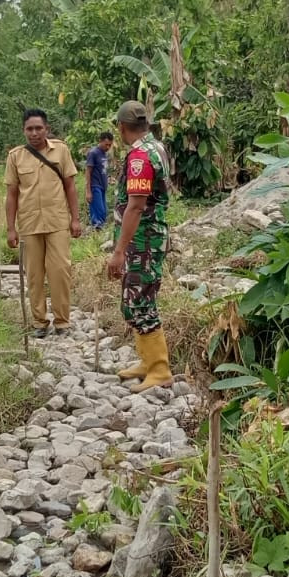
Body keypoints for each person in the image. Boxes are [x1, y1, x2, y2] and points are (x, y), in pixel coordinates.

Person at [105, 100, 172, 393]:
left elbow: (135, 206)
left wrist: (119, 251)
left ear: (121, 127)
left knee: (140, 301)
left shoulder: (140, 157)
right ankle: (148, 361)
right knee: (136, 298)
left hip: (142, 240)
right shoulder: (156, 147)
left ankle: (159, 369)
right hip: (147, 237)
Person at [5, 109, 82, 337]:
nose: (34, 133)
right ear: (23, 131)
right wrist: (11, 228)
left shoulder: (61, 150)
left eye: (39, 128)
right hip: (29, 224)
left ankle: (62, 321)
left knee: (60, 271)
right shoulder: (15, 157)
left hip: (57, 222)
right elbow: (11, 195)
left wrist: (75, 219)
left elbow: (70, 187)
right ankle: (39, 322)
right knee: (34, 275)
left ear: (47, 129)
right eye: (29, 129)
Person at [84, 132, 114, 230]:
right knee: (98, 212)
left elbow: (103, 170)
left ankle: (100, 231)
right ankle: (97, 231)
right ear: (100, 141)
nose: (108, 147)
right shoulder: (93, 153)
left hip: (103, 187)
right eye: (106, 144)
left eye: (110, 145)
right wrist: (88, 191)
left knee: (104, 212)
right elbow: (88, 172)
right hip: (95, 186)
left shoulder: (104, 154)